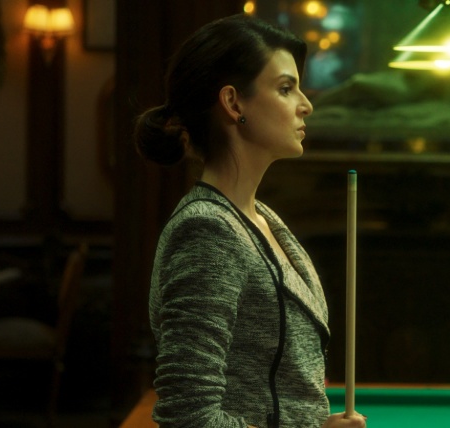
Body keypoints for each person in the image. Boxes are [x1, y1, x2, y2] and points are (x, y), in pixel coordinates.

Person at [134, 14, 366, 428]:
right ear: (234, 103)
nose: (306, 104)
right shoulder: (207, 231)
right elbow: (189, 416)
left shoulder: (263, 219)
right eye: (285, 88)